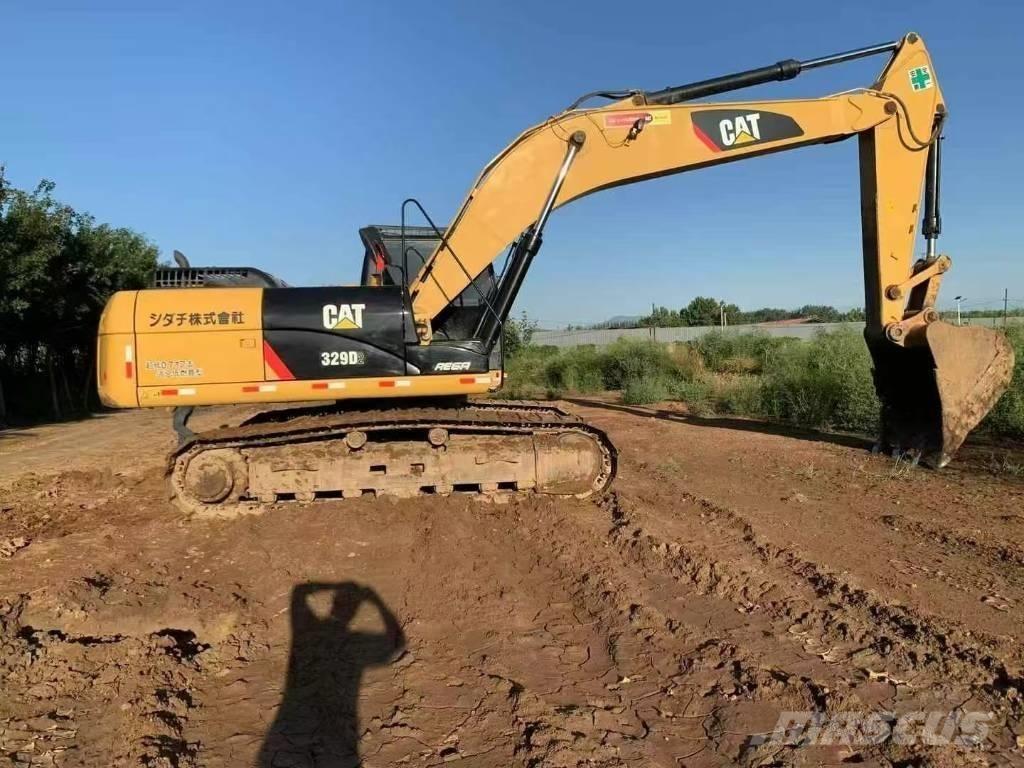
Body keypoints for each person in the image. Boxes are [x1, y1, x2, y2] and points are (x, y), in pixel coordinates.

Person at [257, 582, 405, 768]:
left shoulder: (307, 630)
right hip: (327, 731)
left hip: (299, 725)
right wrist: (377, 602)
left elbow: (299, 592)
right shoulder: (351, 642)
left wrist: (330, 586)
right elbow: (397, 645)